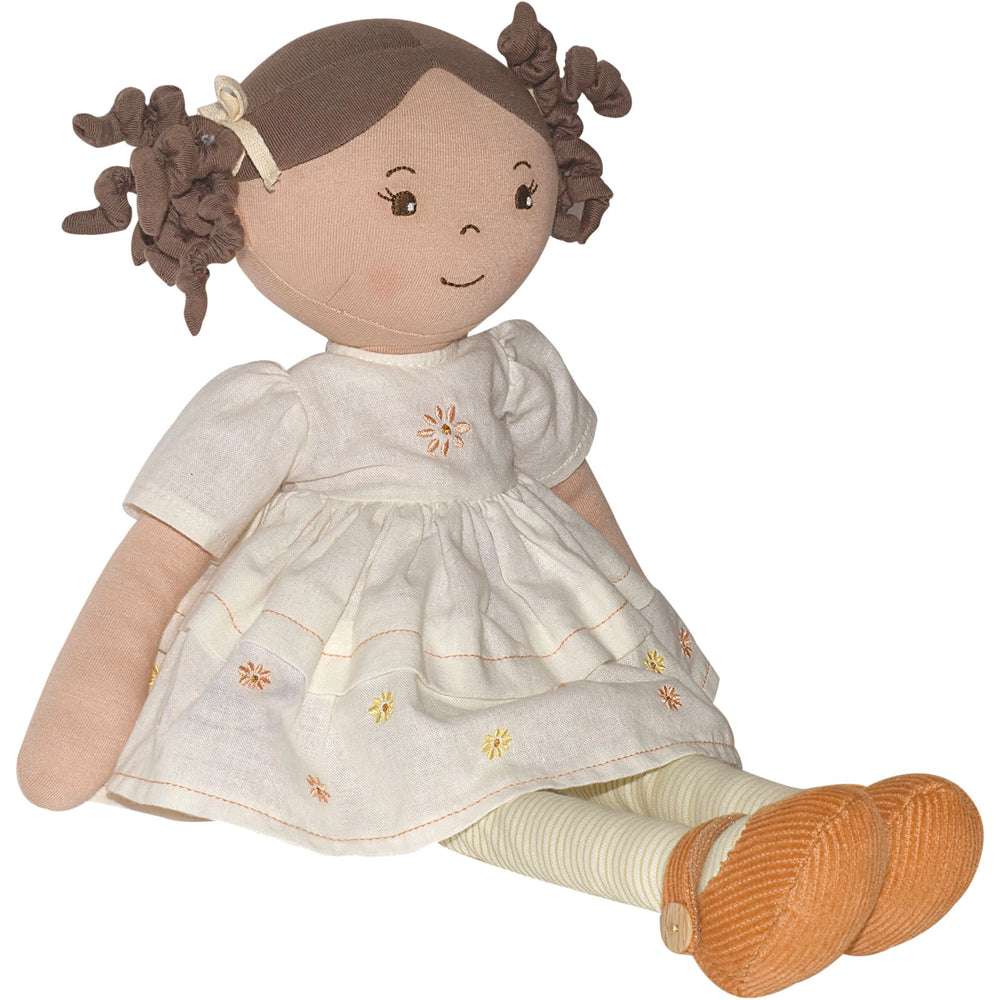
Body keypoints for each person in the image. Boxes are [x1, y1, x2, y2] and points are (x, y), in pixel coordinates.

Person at [17, 6, 981, 996]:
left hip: (531, 606)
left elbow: (572, 486)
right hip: (367, 643)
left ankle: (812, 825)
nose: (475, 230)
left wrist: (634, 611)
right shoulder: (282, 405)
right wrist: (81, 717)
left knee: (614, 730)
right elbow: (161, 556)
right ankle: (692, 875)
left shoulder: (514, 365)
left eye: (519, 191)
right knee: (449, 774)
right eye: (404, 201)